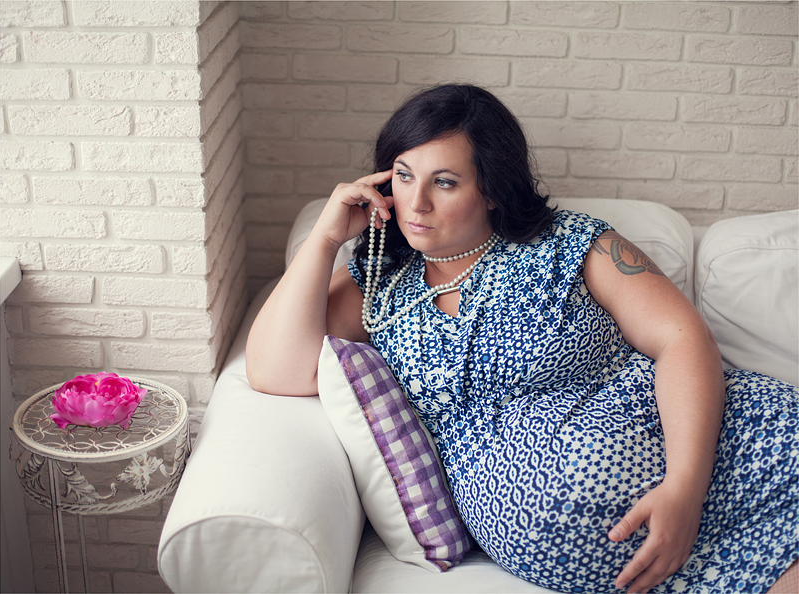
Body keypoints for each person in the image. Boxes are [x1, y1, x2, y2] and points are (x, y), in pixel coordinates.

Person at [246, 84, 798, 594]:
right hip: (616, 542)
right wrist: (325, 239)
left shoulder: (573, 244)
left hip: (734, 454)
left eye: (445, 182)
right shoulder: (380, 280)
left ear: (491, 190)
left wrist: (685, 489)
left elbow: (682, 340)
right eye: (404, 175)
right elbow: (274, 369)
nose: (416, 203)